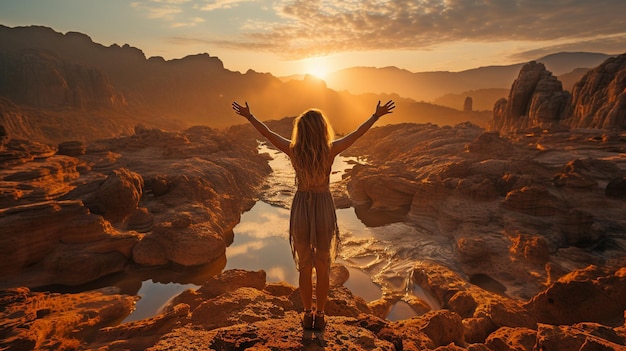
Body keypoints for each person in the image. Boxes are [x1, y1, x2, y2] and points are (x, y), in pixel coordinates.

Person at [232, 100, 395, 330]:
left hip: (301, 207)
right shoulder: (331, 149)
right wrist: (375, 116)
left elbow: (267, 134)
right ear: (322, 128)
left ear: (301, 129)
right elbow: (356, 134)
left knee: (305, 266)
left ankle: (307, 314)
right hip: (323, 207)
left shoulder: (293, 149)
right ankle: (320, 315)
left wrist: (250, 117)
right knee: (323, 265)